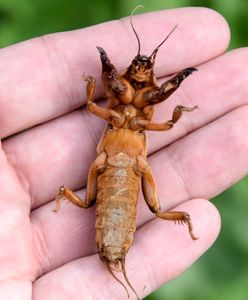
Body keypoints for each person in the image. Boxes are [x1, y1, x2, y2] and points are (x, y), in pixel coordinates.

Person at [0, 7, 247, 300]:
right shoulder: (125, 102)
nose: (142, 71)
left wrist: (177, 90)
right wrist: (100, 77)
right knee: (99, 199)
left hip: (129, 169)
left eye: (148, 67)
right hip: (116, 168)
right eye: (138, 66)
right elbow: (98, 106)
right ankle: (105, 228)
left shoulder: (137, 108)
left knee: (154, 207)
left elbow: (166, 122)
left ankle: (174, 227)